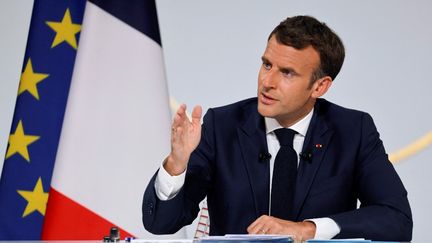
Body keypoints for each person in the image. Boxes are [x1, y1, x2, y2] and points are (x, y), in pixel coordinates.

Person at [142, 15, 412, 241]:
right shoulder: (222, 125)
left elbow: (396, 219)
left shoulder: (353, 131)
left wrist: (308, 229)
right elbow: (160, 224)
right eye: (267, 64)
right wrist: (176, 165)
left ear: (320, 86)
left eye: (287, 73)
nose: (267, 82)